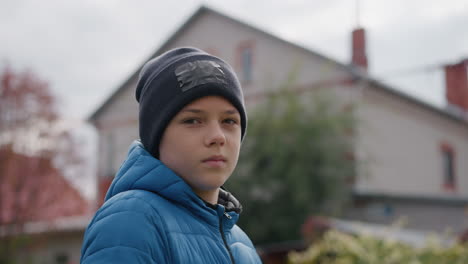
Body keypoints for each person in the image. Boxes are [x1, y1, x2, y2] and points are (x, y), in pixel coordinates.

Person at [80, 47, 262, 263]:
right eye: (193, 120)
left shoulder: (241, 243)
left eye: (229, 121)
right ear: (156, 135)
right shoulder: (130, 221)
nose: (217, 136)